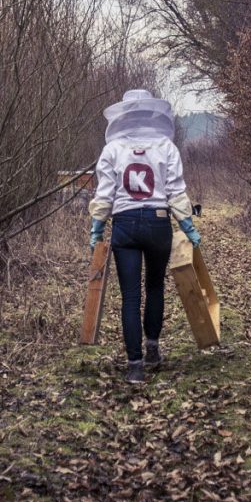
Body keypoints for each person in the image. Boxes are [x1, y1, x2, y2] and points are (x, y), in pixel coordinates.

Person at [88, 89, 202, 384]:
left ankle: (135, 366)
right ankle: (152, 350)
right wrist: (187, 225)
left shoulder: (112, 149)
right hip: (158, 223)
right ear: (152, 113)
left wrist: (97, 227)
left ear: (123, 115)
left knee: (129, 296)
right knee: (154, 287)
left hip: (124, 224)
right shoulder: (165, 146)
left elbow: (104, 194)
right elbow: (176, 191)